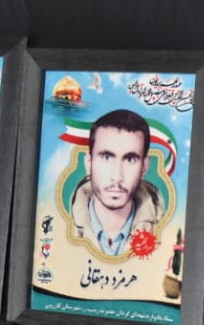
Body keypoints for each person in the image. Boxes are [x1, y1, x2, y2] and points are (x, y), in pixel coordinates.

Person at [70, 109, 164, 256]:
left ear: (144, 167)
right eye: (106, 157)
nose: (117, 176)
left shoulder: (167, 231)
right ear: (89, 163)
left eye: (130, 159)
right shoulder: (58, 227)